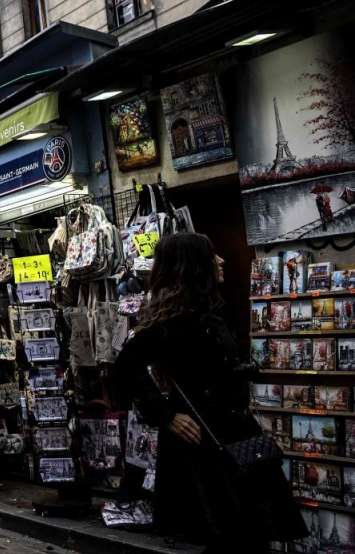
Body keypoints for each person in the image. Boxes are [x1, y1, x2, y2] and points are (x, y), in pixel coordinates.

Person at [113, 233, 305, 552]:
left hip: (234, 436)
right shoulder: (173, 318)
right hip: (204, 442)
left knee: (251, 533)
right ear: (193, 265)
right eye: (212, 255)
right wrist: (167, 415)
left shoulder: (210, 311)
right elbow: (125, 367)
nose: (221, 261)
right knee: (232, 535)